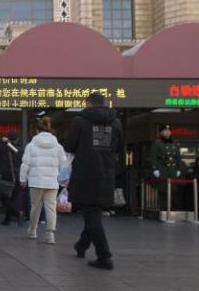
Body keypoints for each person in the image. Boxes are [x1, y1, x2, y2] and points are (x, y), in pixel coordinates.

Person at [67, 92, 122, 270]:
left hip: (85, 173)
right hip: (106, 173)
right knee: (94, 211)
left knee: (91, 213)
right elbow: (119, 148)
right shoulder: (116, 122)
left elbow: (69, 146)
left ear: (88, 104)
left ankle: (104, 256)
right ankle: (82, 245)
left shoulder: (80, 121)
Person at [19, 117, 66, 244]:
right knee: (51, 208)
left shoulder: (31, 145)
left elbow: (25, 164)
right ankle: (50, 235)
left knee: (35, 207)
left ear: (36, 130)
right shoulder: (58, 146)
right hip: (52, 182)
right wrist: (64, 181)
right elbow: (63, 165)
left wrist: (23, 179)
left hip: (36, 181)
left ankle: (33, 230)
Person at [0, 132, 20, 214]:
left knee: (5, 198)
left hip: (5, 176)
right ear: (17, 140)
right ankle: (8, 218)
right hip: (18, 176)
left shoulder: (2, 148)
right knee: (13, 198)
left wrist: (1, 140)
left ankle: (16, 214)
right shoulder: (20, 148)